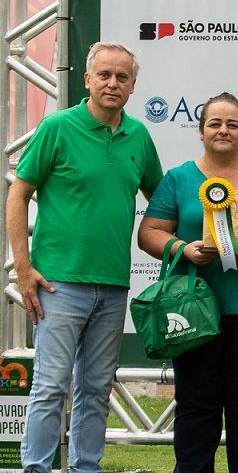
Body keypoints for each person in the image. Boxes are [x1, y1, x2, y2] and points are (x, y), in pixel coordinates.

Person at [6, 42, 163, 473]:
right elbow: (18, 194)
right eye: (105, 75)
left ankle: (86, 468)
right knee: (50, 387)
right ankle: (36, 469)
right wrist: (23, 269)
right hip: (58, 284)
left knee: (95, 389)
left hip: (113, 286)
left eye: (122, 77)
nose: (113, 83)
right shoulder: (57, 127)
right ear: (88, 79)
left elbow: (162, 200)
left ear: (133, 86)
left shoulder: (139, 136)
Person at [136, 92, 238, 473]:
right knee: (196, 407)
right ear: (201, 131)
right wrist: (183, 249)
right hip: (192, 313)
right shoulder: (178, 179)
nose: (223, 130)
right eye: (215, 123)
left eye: (232, 124)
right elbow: (149, 233)